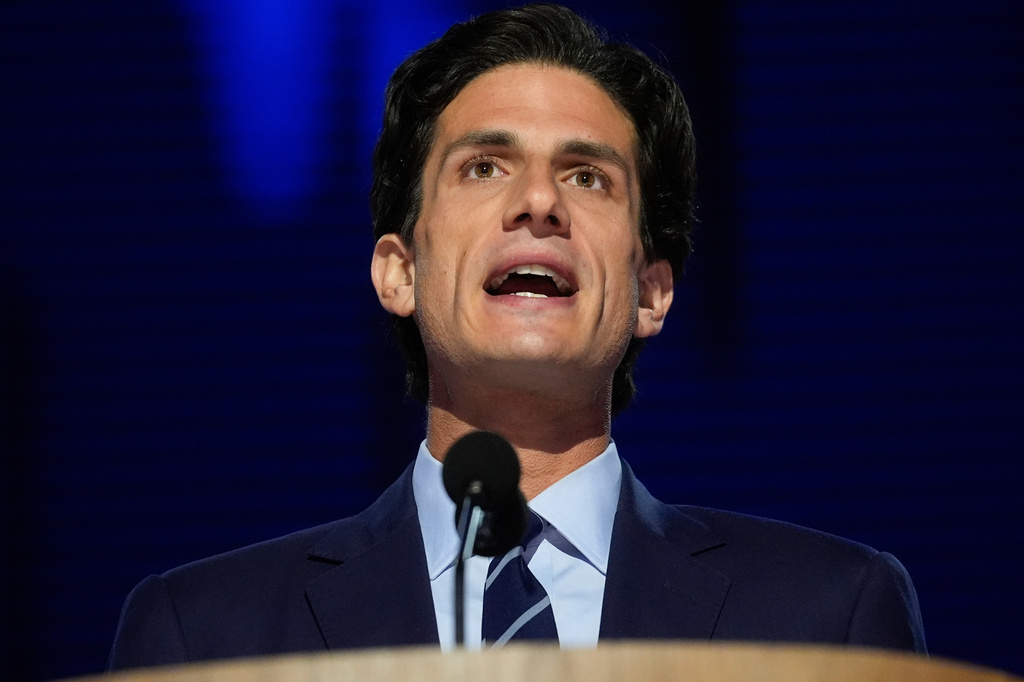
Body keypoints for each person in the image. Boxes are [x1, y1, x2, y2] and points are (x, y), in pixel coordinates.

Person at [108, 3, 925, 669]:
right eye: (485, 167)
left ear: (651, 290)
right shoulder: (203, 637)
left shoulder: (829, 618)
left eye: (587, 176)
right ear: (399, 272)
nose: (539, 202)